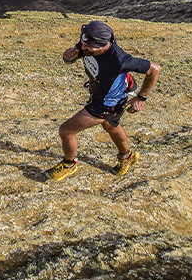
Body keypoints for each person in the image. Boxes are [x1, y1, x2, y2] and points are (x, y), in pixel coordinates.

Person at [49, 20, 161, 181]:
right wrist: (73, 54)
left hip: (106, 103)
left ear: (103, 45)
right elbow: (80, 51)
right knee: (110, 125)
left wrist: (141, 97)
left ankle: (69, 164)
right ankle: (126, 156)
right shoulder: (88, 41)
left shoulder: (120, 60)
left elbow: (155, 69)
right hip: (103, 93)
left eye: (88, 46)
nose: (83, 47)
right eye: (82, 42)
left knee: (66, 131)